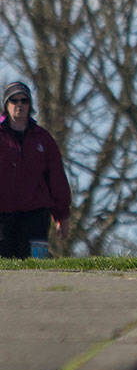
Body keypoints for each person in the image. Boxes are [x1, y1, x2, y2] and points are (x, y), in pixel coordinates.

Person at [0, 81, 71, 259]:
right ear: (6, 105)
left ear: (30, 105)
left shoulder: (43, 139)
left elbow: (56, 178)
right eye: (14, 101)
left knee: (36, 263)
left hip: (36, 215)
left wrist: (61, 214)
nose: (19, 105)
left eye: (24, 101)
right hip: (2, 214)